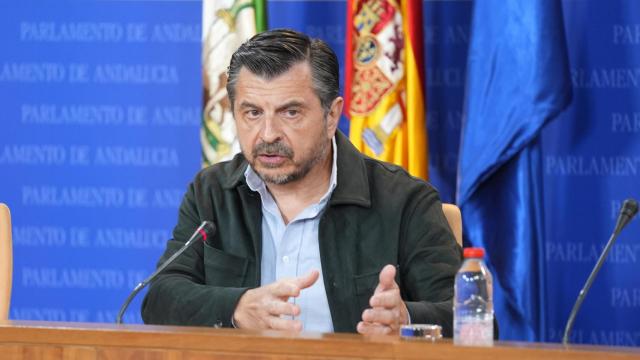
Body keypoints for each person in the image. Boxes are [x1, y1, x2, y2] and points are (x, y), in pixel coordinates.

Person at [141, 29, 462, 336]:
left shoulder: (404, 200)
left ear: (331, 116)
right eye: (252, 113)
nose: (268, 134)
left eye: (290, 112)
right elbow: (160, 299)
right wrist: (236, 308)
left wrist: (405, 318)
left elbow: (468, 317)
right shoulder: (211, 192)